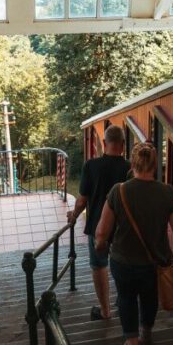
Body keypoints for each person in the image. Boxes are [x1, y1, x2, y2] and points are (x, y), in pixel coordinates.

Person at [95, 143, 173, 345]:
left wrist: (100, 245)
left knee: (126, 297)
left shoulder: (118, 191)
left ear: (133, 164)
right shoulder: (167, 193)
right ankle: (146, 334)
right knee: (149, 296)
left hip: (123, 260)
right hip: (154, 262)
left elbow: (102, 232)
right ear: (155, 166)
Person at [68, 124, 130, 320]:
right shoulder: (130, 168)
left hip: (98, 226)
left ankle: (105, 311)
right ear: (123, 145)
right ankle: (124, 303)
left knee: (99, 266)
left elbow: (82, 199)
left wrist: (74, 216)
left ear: (104, 143)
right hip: (123, 229)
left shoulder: (91, 166)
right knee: (125, 264)